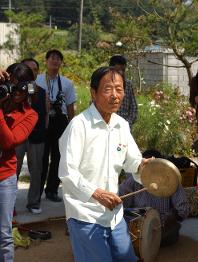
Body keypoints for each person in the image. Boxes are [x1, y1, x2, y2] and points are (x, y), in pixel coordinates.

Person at [58, 66, 149, 261]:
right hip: (85, 215)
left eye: (119, 89)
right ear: (93, 93)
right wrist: (97, 193)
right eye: (108, 89)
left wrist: (144, 166)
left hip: (114, 215)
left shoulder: (121, 125)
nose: (115, 95)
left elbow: (132, 160)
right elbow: (67, 172)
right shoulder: (79, 125)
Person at [0, 64, 38, 261]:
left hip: (4, 178)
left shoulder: (30, 115)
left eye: (20, 87)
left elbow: (9, 142)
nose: (15, 92)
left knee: (3, 235)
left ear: (28, 89)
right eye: (10, 85)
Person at [36, 49, 76, 202]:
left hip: (60, 121)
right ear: (46, 61)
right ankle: (37, 190)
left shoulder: (67, 83)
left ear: (61, 63)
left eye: (58, 58)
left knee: (58, 157)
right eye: (52, 58)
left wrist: (72, 126)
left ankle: (52, 190)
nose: (55, 61)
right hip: (42, 121)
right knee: (42, 157)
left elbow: (71, 106)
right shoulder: (37, 80)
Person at [13, 58, 49, 214]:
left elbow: (46, 114)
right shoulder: (13, 89)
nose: (31, 71)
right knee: (13, 170)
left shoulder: (41, 92)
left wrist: (43, 131)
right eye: (27, 68)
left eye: (34, 69)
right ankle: (9, 204)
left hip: (36, 137)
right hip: (17, 136)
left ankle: (34, 202)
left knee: (37, 171)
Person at [119, 175, 189, 246]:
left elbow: (183, 210)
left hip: (163, 227)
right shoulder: (133, 180)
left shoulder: (171, 179)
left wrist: (169, 218)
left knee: (171, 235)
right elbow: (121, 206)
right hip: (138, 225)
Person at [109, 55, 138, 129]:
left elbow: (134, 108)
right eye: (118, 70)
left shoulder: (128, 84)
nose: (121, 73)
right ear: (110, 69)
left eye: (123, 70)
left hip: (125, 127)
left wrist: (127, 124)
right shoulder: (104, 84)